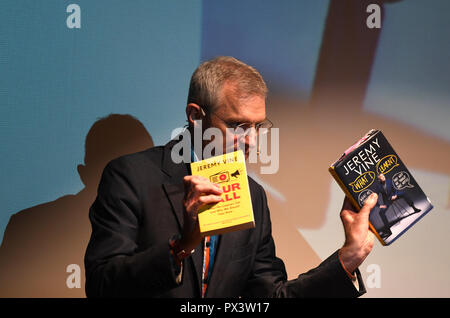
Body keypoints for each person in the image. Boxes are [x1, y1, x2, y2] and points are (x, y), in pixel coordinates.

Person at [84, 56, 378, 297]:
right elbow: (101, 286)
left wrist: (348, 258)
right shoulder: (131, 176)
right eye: (238, 126)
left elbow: (270, 297)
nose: (251, 141)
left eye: (258, 126)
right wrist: (182, 245)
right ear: (196, 116)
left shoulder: (253, 196)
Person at [375, 173, 421, 239]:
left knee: (404, 193)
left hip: (394, 196)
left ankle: (414, 208)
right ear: (379, 180)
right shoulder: (378, 187)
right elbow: (375, 197)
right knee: (381, 213)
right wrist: (379, 206)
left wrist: (395, 195)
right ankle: (388, 231)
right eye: (381, 177)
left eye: (383, 176)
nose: (383, 177)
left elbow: (395, 189)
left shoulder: (389, 181)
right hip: (387, 200)